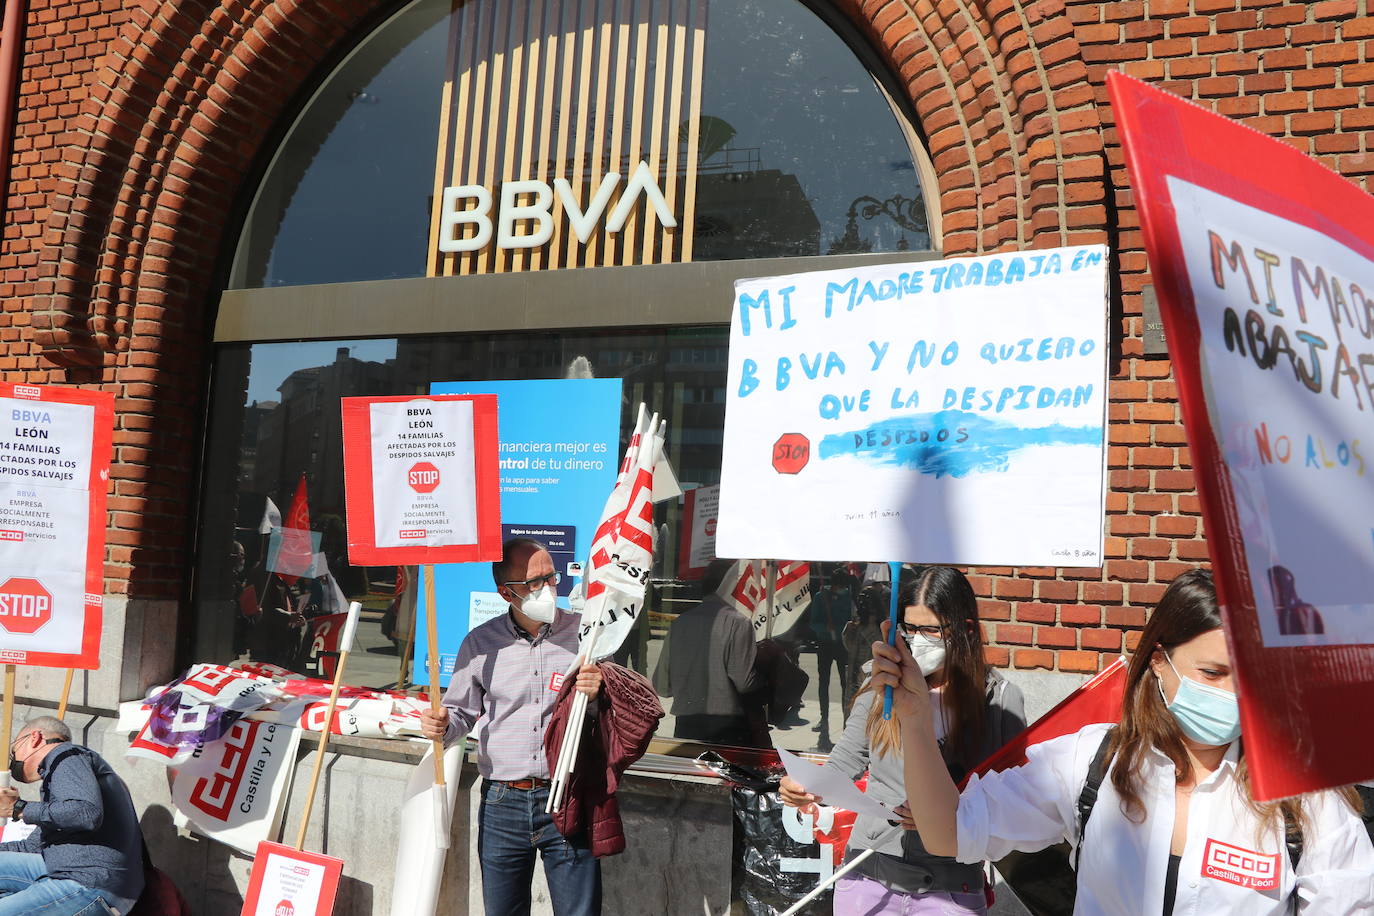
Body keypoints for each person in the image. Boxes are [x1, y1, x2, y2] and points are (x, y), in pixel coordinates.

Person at [872, 568, 1374, 914]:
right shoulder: (1092, 762)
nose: (1233, 695)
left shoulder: (1306, 801)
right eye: (1214, 672)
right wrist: (915, 719)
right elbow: (951, 832)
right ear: (1160, 662)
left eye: (1252, 676)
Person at [780, 566, 1026, 914]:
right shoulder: (882, 685)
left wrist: (947, 810)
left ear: (965, 629)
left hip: (950, 885)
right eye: (910, 628)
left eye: (931, 629)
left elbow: (1014, 796)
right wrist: (804, 784)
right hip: (869, 872)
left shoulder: (998, 700)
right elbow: (844, 761)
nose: (917, 639)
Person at [420, 537, 605, 916]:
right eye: (534, 582)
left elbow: (617, 713)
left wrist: (600, 691)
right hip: (502, 802)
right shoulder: (481, 645)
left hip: (567, 794)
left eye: (551, 577)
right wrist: (441, 724)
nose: (548, 588)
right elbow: (459, 714)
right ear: (506, 592)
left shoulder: (587, 637)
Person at [0, 716, 144, 915]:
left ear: (34, 738)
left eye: (15, 750)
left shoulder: (66, 755)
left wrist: (19, 808)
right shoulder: (65, 778)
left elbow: (86, 813)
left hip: (89, 881)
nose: (13, 758)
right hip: (66, 869)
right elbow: (32, 847)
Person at [653, 558, 764, 747]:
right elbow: (744, 682)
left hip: (686, 722)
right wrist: (766, 679)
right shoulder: (738, 623)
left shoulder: (680, 623)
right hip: (727, 725)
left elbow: (661, 685)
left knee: (690, 775)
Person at [807, 564, 854, 745]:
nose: (842, 590)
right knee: (823, 682)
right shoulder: (820, 597)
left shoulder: (848, 597)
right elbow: (812, 623)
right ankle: (823, 718)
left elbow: (852, 618)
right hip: (825, 644)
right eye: (840, 586)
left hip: (842, 645)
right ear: (834, 585)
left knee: (845, 683)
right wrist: (824, 627)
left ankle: (846, 720)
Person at [841, 582, 887, 712]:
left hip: (871, 675)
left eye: (866, 601)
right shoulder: (858, 623)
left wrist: (868, 628)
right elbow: (850, 647)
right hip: (854, 673)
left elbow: (878, 645)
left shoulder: (881, 625)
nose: (862, 605)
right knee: (851, 711)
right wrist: (847, 632)